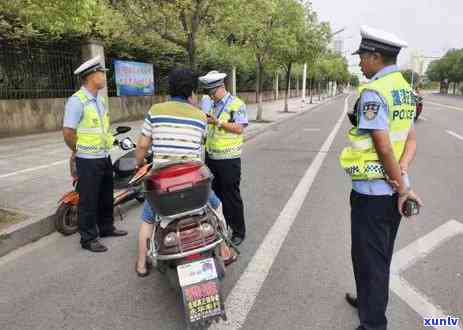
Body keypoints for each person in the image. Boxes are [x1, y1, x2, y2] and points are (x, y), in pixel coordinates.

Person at [339, 26, 424, 330]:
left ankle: (373, 324)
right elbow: (411, 140)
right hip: (392, 190)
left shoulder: (375, 91)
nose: (360, 63)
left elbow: (383, 144)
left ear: (375, 56)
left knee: (368, 258)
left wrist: (400, 187)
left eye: (362, 57)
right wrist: (401, 177)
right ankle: (368, 300)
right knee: (380, 255)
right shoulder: (404, 90)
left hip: (373, 194)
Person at [134, 68, 234, 277]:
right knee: (217, 207)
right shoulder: (199, 116)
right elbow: (200, 142)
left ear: (170, 89)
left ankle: (142, 264)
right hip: (194, 185)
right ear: (191, 92)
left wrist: (140, 163)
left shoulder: (156, 110)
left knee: (148, 219)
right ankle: (225, 250)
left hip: (163, 187)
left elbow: (142, 145)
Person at [63, 56, 127, 253]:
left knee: (106, 195)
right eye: (101, 73)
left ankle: (106, 227)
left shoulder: (99, 101)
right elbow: (68, 132)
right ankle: (88, 238)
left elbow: (103, 131)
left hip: (104, 156)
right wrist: (78, 151)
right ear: (91, 76)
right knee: (89, 200)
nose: (104, 76)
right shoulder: (77, 101)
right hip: (87, 160)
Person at [198, 71, 248, 246]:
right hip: (211, 158)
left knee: (231, 196)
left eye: (213, 92)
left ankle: (238, 231)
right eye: (209, 93)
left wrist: (218, 122)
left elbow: (239, 128)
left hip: (229, 159)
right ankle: (221, 227)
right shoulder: (211, 104)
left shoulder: (236, 104)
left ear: (221, 87)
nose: (211, 96)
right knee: (215, 196)